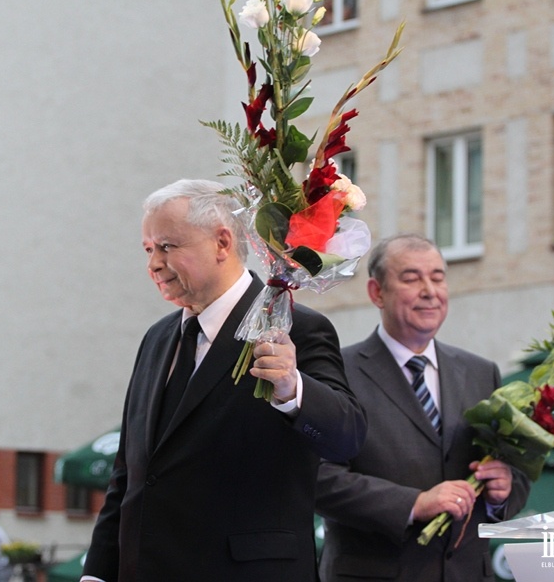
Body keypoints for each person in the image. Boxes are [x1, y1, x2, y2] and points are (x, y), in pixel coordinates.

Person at [80, 179, 366, 582]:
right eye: (148, 250)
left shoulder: (296, 328)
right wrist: (98, 573)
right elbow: (129, 474)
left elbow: (347, 437)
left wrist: (292, 388)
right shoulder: (157, 338)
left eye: (167, 247)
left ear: (221, 242)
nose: (154, 264)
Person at [315, 233, 531, 582]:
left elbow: (513, 471)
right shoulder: (336, 372)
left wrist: (503, 491)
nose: (429, 290)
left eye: (438, 277)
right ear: (376, 292)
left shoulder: (481, 372)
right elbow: (318, 479)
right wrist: (413, 504)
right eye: (412, 278)